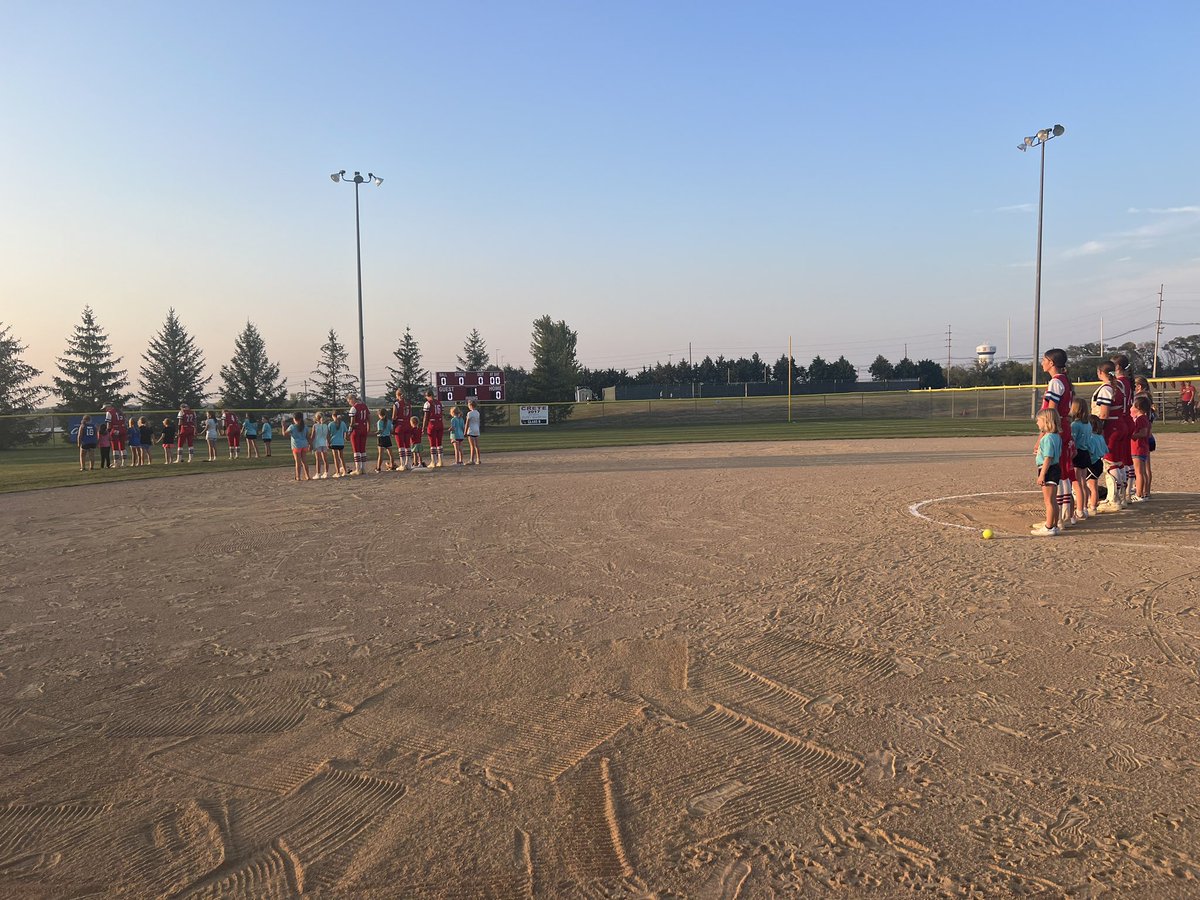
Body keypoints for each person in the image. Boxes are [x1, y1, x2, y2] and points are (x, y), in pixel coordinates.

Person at [1040, 349, 1075, 526]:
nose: (1042, 362)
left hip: (1056, 429)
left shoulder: (1056, 382)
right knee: (1064, 472)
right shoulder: (1064, 380)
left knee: (1058, 472)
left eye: (1044, 359)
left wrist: (1042, 435)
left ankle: (1059, 518)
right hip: (1064, 428)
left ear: (1052, 363)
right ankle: (1067, 515)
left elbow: (1051, 411)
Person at [1092, 362, 1127, 512]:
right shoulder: (1119, 386)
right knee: (1118, 462)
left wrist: (1097, 430)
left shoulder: (1106, 388)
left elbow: (1104, 413)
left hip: (1111, 427)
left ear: (1100, 372)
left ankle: (1113, 499)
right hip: (1119, 425)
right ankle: (1121, 496)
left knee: (1110, 463)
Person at [1111, 354, 1136, 506]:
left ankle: (1120, 495)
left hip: (1120, 420)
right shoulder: (1126, 381)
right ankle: (1127, 493)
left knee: (1118, 460)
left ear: (1118, 367)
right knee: (1126, 459)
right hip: (1127, 420)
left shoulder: (1119, 382)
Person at [1032, 409, 1062, 536]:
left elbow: (1048, 457)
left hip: (1048, 469)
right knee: (1053, 500)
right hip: (1054, 468)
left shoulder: (1048, 438)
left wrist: (1042, 474)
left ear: (1046, 421)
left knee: (1048, 501)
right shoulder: (1056, 436)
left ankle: (1049, 527)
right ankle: (1054, 524)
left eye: (1038, 421)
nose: (1037, 423)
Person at [1067, 397, 1092, 521]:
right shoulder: (1087, 424)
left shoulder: (1075, 425)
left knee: (1077, 484)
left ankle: (1080, 510)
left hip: (1078, 454)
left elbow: (1073, 442)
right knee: (1083, 482)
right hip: (1085, 452)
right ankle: (1085, 508)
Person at [1130, 395, 1153, 502]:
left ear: (1138, 407)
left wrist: (1132, 435)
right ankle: (1143, 493)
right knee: (1142, 472)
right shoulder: (1145, 418)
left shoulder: (1141, 419)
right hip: (1142, 448)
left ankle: (1139, 494)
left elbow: (1143, 433)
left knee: (1138, 472)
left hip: (1138, 448)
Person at [347, 393, 370, 476]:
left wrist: (349, 431)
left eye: (349, 401)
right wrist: (368, 428)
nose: (349, 403)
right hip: (364, 428)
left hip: (356, 430)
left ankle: (358, 469)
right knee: (362, 449)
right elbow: (368, 418)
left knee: (356, 450)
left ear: (352, 399)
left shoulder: (354, 408)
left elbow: (352, 422)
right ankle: (363, 468)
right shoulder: (364, 406)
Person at [421, 389, 445, 468]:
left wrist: (424, 427)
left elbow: (426, 416)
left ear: (427, 396)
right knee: (439, 443)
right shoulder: (439, 403)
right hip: (440, 423)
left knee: (432, 444)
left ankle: (433, 461)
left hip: (432, 424)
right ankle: (441, 461)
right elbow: (442, 414)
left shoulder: (427, 403)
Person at [285, 412, 311, 481]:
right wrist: (311, 444)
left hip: (296, 446)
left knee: (298, 462)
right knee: (304, 461)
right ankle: (307, 476)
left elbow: (285, 434)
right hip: (304, 445)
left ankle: (298, 476)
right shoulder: (305, 427)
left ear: (294, 419)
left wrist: (283, 426)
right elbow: (308, 437)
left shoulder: (292, 426)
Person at [103, 403, 128, 467]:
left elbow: (108, 424)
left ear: (109, 407)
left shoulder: (109, 412)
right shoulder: (120, 411)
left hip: (115, 430)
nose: (105, 410)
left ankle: (116, 463)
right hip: (122, 429)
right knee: (123, 447)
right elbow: (125, 421)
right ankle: (124, 462)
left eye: (105, 408)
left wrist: (108, 431)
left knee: (115, 447)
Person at [391, 389, 411, 471]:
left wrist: (393, 426)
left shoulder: (397, 404)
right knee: (407, 445)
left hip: (400, 425)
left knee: (401, 446)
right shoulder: (408, 404)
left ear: (398, 395)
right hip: (407, 424)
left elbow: (394, 416)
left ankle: (402, 464)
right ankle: (408, 463)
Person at [309, 411, 331, 479]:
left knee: (318, 460)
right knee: (325, 459)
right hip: (324, 443)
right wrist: (328, 443)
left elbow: (313, 436)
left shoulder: (315, 426)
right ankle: (326, 473)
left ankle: (318, 474)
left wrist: (310, 444)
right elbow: (328, 436)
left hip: (317, 443)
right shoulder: (325, 426)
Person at [328, 411, 349, 477]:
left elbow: (328, 434)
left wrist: (328, 442)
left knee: (335, 458)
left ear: (333, 416)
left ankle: (338, 472)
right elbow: (346, 432)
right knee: (341, 457)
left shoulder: (331, 424)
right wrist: (346, 438)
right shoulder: (343, 423)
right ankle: (345, 471)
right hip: (341, 442)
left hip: (333, 442)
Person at [375, 408, 396, 472]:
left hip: (381, 438)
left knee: (381, 454)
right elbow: (391, 430)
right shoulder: (389, 421)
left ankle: (378, 468)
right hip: (387, 438)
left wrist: (374, 433)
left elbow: (380, 431)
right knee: (390, 454)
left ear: (379, 415)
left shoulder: (379, 422)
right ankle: (392, 466)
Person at [465, 399, 481, 465]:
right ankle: (478, 459)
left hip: (471, 430)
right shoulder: (477, 413)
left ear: (471, 405)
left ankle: (472, 460)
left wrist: (465, 432)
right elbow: (478, 422)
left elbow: (467, 423)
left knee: (472, 446)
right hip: (476, 430)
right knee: (477, 446)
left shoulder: (469, 413)